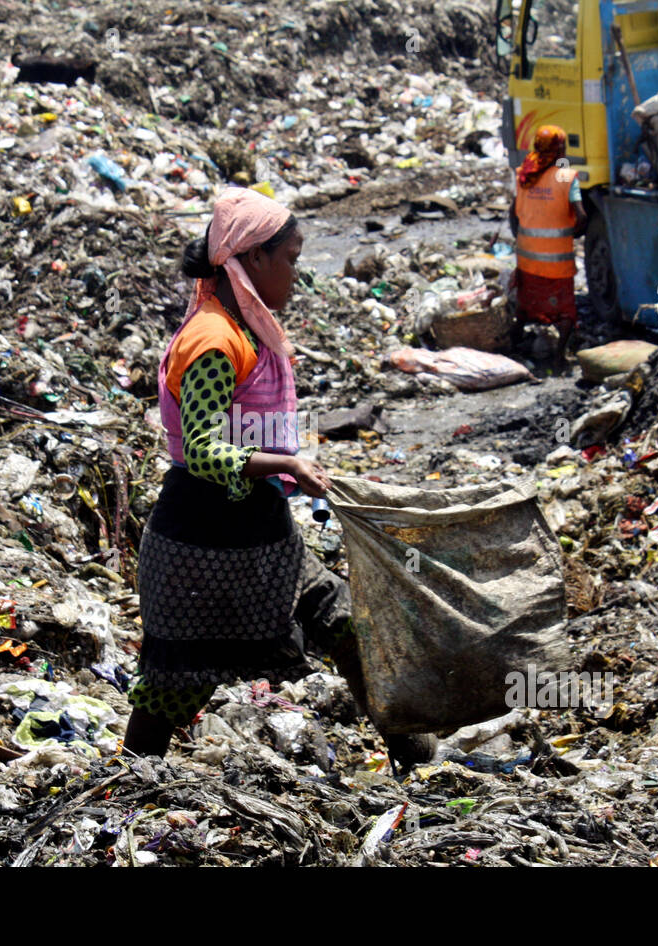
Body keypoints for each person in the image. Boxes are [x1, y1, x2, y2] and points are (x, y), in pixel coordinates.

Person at [123, 187, 436, 768]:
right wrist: (287, 464)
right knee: (174, 689)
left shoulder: (244, 331)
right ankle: (125, 790)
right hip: (201, 548)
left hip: (259, 536)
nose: (296, 274)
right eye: (290, 259)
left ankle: (421, 768)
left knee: (350, 630)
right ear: (254, 257)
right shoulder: (215, 340)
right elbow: (203, 450)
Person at [510, 125, 588, 373]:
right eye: (563, 148)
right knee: (564, 312)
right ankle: (558, 358)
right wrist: (574, 232)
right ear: (559, 150)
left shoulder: (524, 174)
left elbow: (514, 212)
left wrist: (520, 236)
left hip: (527, 258)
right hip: (556, 262)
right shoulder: (566, 176)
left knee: (527, 305)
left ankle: (513, 344)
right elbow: (582, 216)